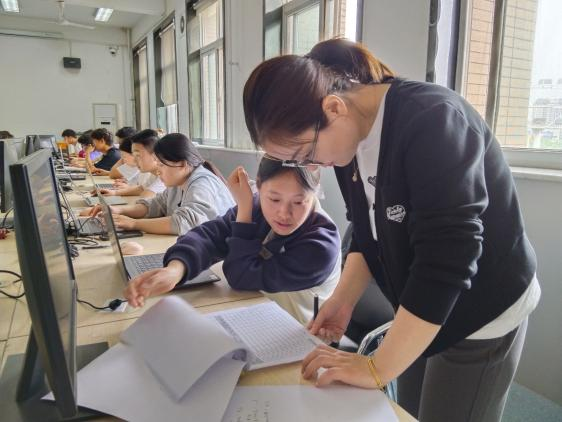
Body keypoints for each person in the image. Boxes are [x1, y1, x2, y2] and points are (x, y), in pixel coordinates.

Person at [242, 39, 540, 422]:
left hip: (482, 309)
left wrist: (377, 367)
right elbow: (366, 231)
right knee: (407, 412)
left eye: (305, 154)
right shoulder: (348, 142)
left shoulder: (433, 118)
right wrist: (342, 300)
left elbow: (449, 256)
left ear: (333, 108)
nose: (311, 166)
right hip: (421, 301)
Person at [123, 156, 341, 324]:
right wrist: (176, 269)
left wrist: (244, 211)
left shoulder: (321, 245)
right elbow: (210, 235)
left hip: (299, 335)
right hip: (256, 314)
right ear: (259, 187)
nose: (284, 213)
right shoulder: (258, 206)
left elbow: (241, 276)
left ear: (314, 194)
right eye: (274, 199)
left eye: (299, 202)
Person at [84, 133, 234, 235]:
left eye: (162, 165)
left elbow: (183, 222)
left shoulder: (202, 183)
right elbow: (154, 205)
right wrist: (118, 210)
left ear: (182, 164)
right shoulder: (179, 182)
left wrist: (134, 224)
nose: (158, 170)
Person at [98, 129, 165, 198]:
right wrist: (114, 192)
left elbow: (144, 199)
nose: (135, 160)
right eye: (134, 155)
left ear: (155, 155)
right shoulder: (154, 174)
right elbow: (141, 188)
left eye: (138, 155)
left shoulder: (164, 178)